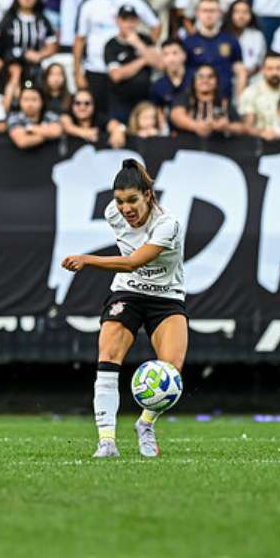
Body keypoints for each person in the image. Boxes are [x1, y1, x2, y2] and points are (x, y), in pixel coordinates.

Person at [60, 159, 188, 459]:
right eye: (119, 201)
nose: (125, 208)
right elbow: (129, 270)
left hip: (166, 297)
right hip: (126, 292)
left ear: (148, 195)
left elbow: (134, 261)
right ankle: (106, 442)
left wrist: (87, 259)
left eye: (132, 200)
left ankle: (145, 424)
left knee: (172, 371)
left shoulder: (167, 224)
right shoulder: (111, 213)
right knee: (108, 357)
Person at [73, 0, 160, 115]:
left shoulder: (133, 0)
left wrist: (145, 49)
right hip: (97, 68)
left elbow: (156, 25)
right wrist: (77, 72)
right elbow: (80, 39)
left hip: (126, 69)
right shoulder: (89, 3)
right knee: (98, 115)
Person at [105, 5, 161, 123]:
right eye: (125, 20)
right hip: (121, 100)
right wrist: (143, 60)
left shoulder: (145, 40)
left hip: (145, 99)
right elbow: (116, 75)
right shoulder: (111, 45)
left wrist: (138, 44)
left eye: (132, 20)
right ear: (118, 21)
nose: (129, 24)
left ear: (137, 21)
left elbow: (160, 64)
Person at [183, 0, 246, 99]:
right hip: (196, 100)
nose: (209, 15)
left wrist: (240, 99)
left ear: (220, 13)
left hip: (224, 99)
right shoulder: (188, 42)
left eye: (212, 11)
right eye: (205, 11)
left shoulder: (231, 40)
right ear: (197, 13)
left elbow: (240, 71)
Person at [170, 64, 246, 138]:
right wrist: (196, 126)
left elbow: (240, 127)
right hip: (187, 145)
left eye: (210, 77)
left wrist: (226, 127)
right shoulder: (185, 97)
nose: (205, 80)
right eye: (200, 77)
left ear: (217, 82)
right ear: (194, 81)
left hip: (218, 146)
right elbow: (176, 116)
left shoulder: (224, 102)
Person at [239, 53, 280, 133]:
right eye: (270, 69)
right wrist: (262, 133)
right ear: (263, 70)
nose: (274, 73)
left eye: (278, 68)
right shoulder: (251, 93)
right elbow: (247, 128)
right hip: (259, 142)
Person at [62, 87, 127, 146]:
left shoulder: (98, 117)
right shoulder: (67, 116)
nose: (82, 107)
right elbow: (67, 126)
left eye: (87, 103)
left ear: (94, 105)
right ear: (72, 105)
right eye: (77, 103)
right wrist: (85, 133)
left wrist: (118, 131)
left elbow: (113, 124)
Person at [7, 85, 63, 149]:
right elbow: (22, 142)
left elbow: (56, 132)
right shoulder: (14, 117)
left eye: (34, 99)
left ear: (42, 102)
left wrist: (29, 128)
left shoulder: (50, 115)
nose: (30, 104)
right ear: (19, 102)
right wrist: (48, 134)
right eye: (25, 100)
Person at [226, 0, 267, 80]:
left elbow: (261, 62)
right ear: (230, 14)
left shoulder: (257, 36)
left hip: (253, 79)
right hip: (228, 79)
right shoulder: (222, 35)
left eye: (245, 12)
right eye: (237, 12)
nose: (241, 16)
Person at [148, 39, 189, 113]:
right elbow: (158, 110)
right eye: (166, 54)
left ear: (184, 55)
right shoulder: (158, 86)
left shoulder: (196, 79)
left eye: (175, 53)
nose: (171, 59)